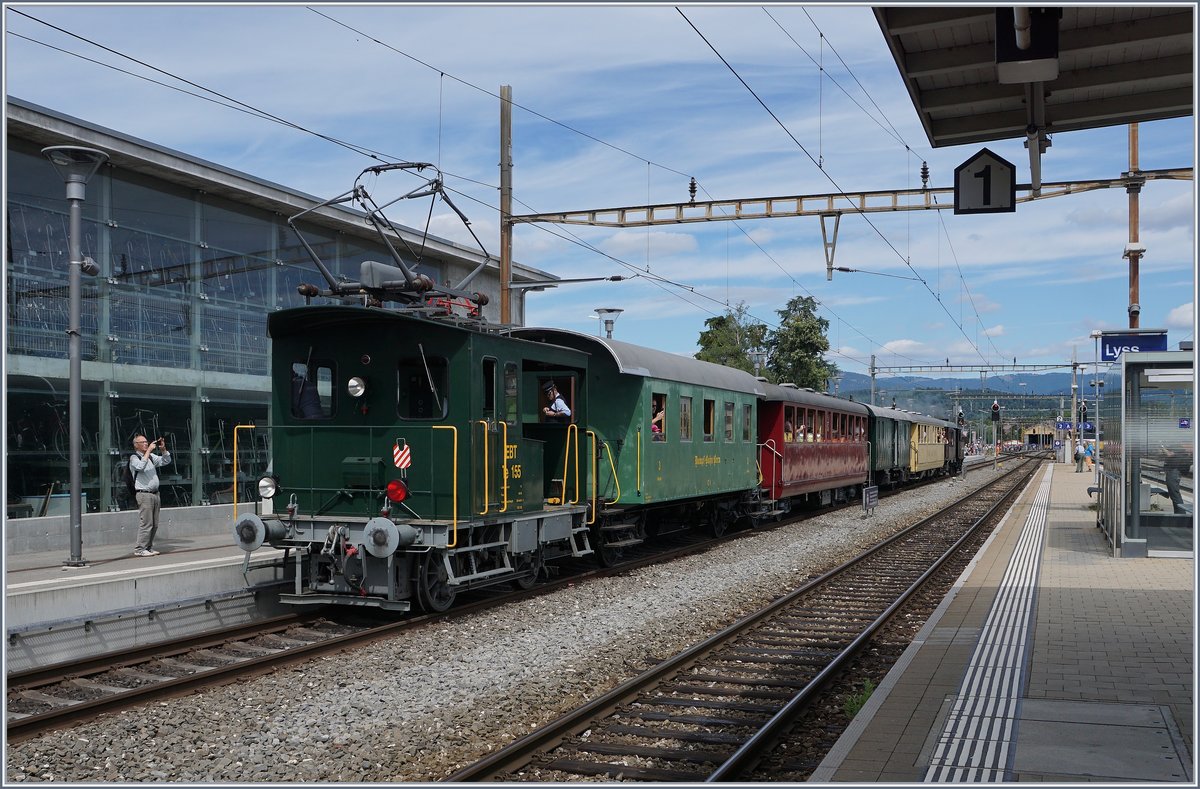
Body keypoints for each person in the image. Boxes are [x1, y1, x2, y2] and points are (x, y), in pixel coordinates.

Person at [130, 434, 171, 557]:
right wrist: (148, 451)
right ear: (136, 445)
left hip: (155, 494)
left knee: (155, 523)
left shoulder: (151, 457)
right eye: (142, 442)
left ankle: (148, 546)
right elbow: (140, 467)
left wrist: (163, 449)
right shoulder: (134, 457)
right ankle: (140, 548)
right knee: (146, 522)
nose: (146, 444)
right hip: (144, 494)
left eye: (146, 442)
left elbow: (166, 461)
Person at [1163, 440, 1191, 514]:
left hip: (1173, 471)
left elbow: (1169, 454)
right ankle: (1178, 513)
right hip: (1175, 471)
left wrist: (1162, 447)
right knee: (1174, 494)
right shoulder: (1179, 446)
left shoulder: (1177, 445)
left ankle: (1181, 514)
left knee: (1174, 494)